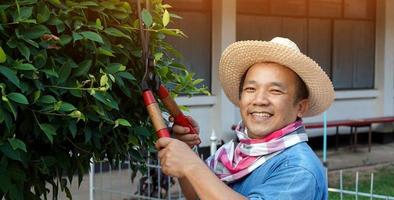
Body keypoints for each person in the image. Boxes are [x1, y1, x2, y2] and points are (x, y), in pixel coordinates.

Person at [155, 37, 335, 199]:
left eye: (275, 90)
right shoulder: (232, 155)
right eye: (251, 89)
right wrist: (188, 152)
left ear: (300, 107)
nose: (259, 100)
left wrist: (192, 165)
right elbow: (197, 196)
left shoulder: (299, 169)